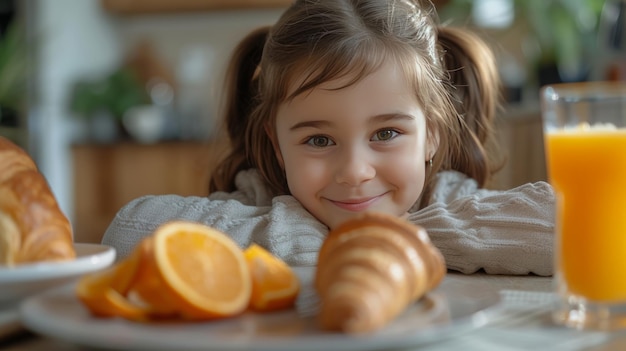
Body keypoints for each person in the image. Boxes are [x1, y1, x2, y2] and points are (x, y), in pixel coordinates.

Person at [102, 0, 554, 283]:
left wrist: (406, 238)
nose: (355, 170)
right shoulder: (259, 199)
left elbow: (573, 225)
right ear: (277, 145)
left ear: (431, 135)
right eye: (319, 140)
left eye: (386, 134)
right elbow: (126, 233)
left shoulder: (448, 200)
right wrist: (350, 246)